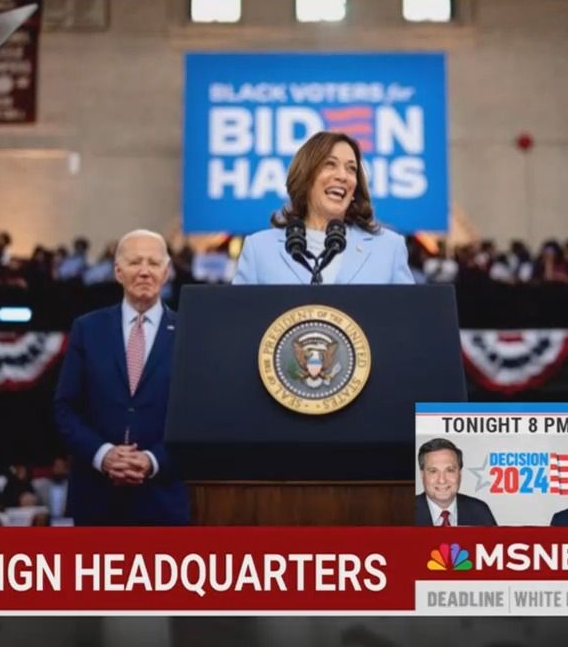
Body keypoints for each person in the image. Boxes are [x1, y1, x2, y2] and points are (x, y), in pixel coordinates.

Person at [53, 229, 189, 526]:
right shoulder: (87, 329)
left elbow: (200, 417)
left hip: (163, 501)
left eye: (153, 264)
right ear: (117, 271)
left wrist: (152, 461)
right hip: (96, 500)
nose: (144, 271)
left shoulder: (190, 333)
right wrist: (104, 455)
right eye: (135, 262)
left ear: (166, 273)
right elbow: (65, 409)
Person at [232, 131, 414, 285]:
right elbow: (239, 321)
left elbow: (409, 321)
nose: (342, 176)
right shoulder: (259, 250)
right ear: (305, 177)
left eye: (351, 169)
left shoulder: (390, 249)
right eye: (330, 164)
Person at [414, 438, 498, 526]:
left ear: (460, 473)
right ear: (422, 474)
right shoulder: (405, 512)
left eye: (450, 470)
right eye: (433, 471)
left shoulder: (480, 512)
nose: (442, 480)